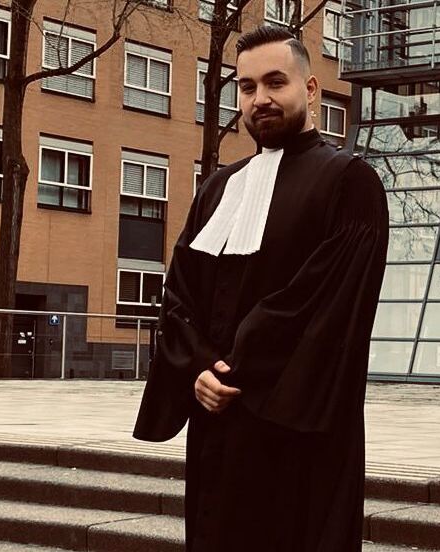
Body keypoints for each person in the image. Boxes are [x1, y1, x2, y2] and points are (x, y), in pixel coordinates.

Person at [133, 25, 389, 552]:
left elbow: (325, 304)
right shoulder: (218, 188)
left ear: (311, 89)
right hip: (217, 422)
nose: (260, 99)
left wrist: (233, 368)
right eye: (247, 87)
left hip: (295, 430)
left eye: (276, 82)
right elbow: (179, 294)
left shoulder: (350, 182)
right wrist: (196, 368)